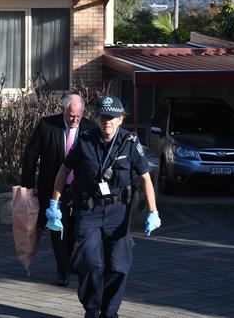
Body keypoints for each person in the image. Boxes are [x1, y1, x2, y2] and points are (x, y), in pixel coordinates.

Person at [46, 95, 161, 318]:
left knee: (118, 266)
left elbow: (145, 177)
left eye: (112, 117)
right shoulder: (86, 140)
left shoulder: (130, 142)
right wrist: (54, 202)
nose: (107, 121)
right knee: (90, 263)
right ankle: (91, 308)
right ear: (97, 118)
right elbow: (63, 170)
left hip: (118, 212)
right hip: (88, 210)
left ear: (121, 119)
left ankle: (109, 312)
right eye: (103, 116)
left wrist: (153, 211)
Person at [22, 94, 96, 286]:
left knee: (74, 230)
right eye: (72, 116)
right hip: (53, 188)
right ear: (63, 110)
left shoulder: (89, 129)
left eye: (79, 116)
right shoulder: (48, 126)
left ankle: (69, 263)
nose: (75, 120)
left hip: (79, 190)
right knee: (58, 229)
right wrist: (29, 187)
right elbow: (30, 156)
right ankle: (62, 270)